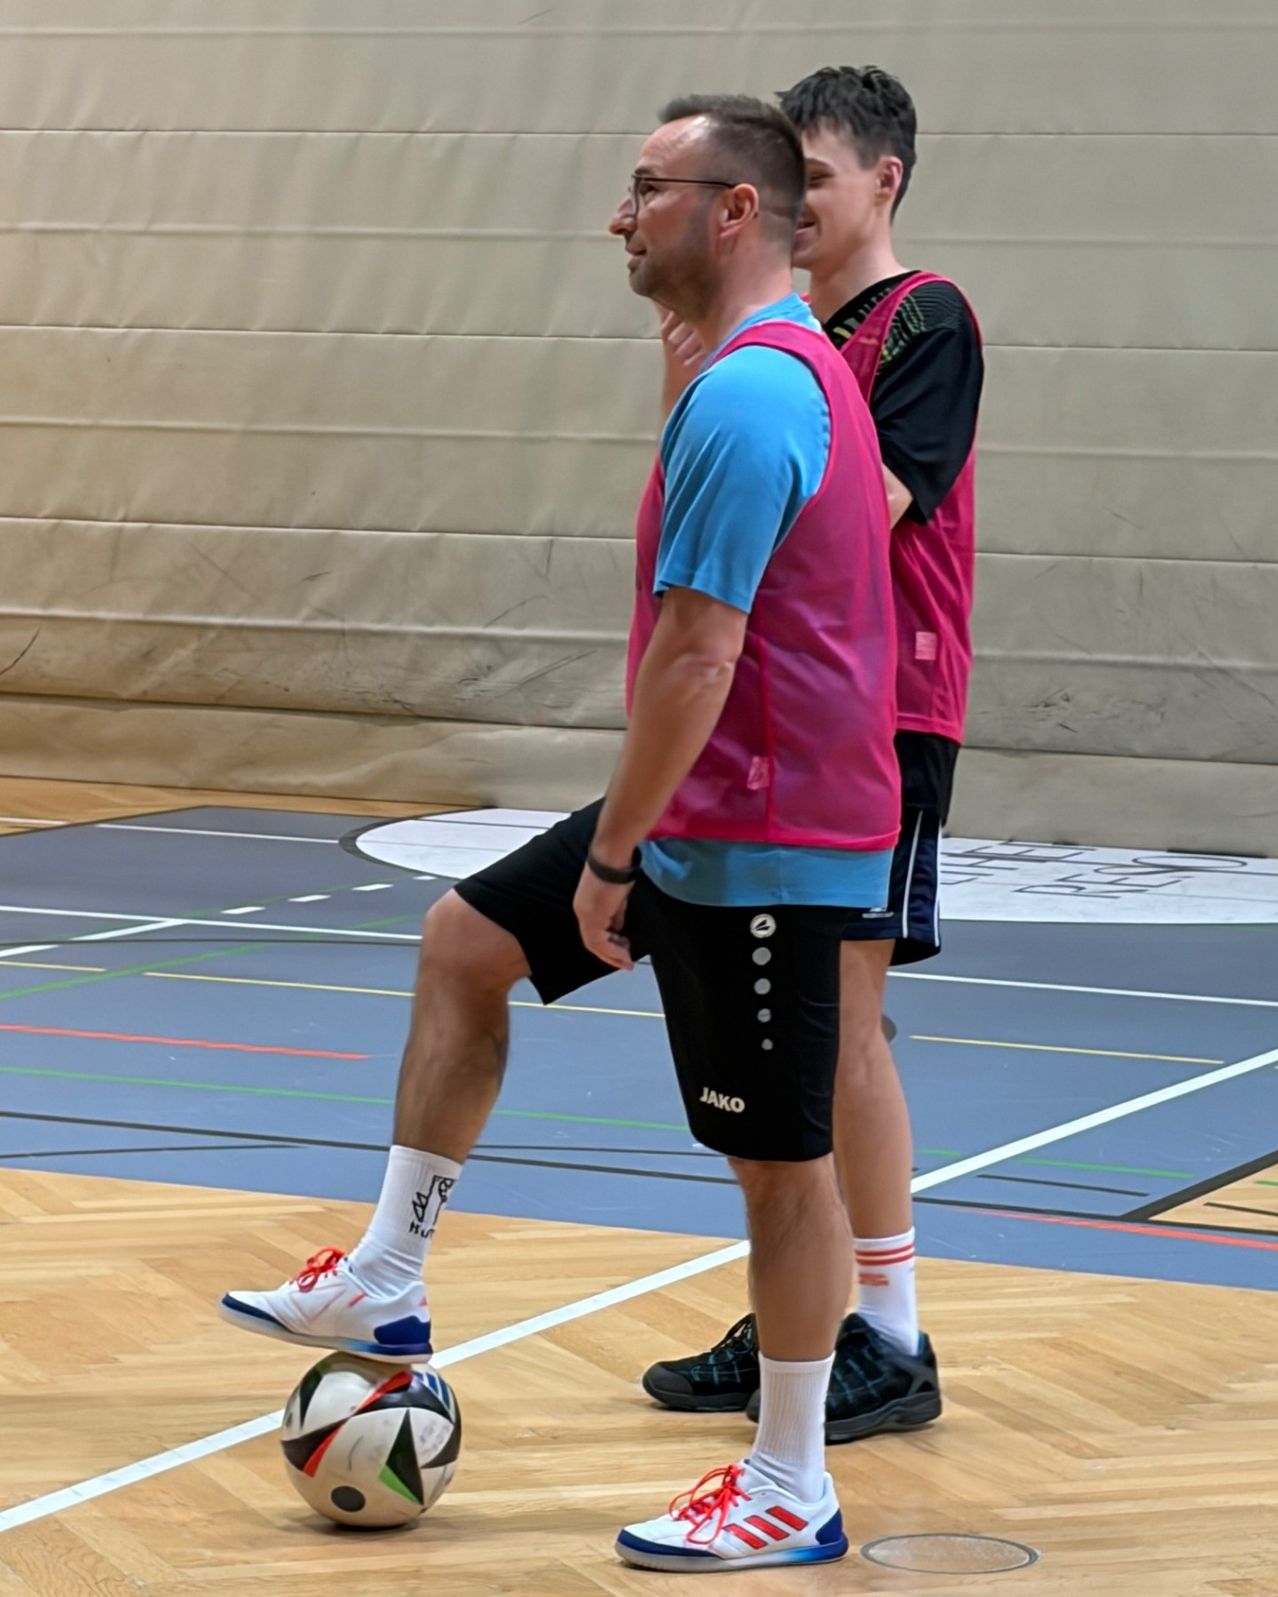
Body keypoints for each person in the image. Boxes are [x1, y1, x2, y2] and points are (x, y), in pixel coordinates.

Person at [221, 93, 901, 1571]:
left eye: (646, 187)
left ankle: (790, 1481)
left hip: (763, 838)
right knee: (465, 941)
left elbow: (696, 653)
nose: (617, 213)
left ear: (732, 210)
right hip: (715, 803)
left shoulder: (759, 393)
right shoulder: (746, 375)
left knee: (782, 1172)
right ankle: (389, 1272)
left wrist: (614, 857)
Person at [641, 65, 984, 1444]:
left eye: (820, 182)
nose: (798, 211)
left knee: (842, 1024)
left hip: (884, 710)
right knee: (793, 1042)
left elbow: (867, 500)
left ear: (880, 182)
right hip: (798, 719)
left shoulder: (919, 322)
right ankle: (813, 1311)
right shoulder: (769, 342)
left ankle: (886, 1333)